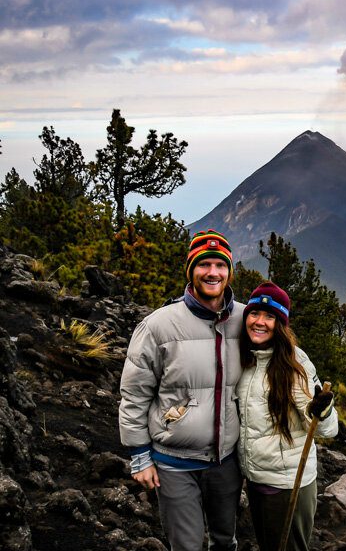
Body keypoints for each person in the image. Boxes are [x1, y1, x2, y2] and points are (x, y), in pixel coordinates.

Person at [119, 229, 244, 551]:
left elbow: (284, 356)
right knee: (187, 546)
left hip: (226, 461)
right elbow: (134, 394)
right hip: (175, 463)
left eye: (220, 265)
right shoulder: (159, 325)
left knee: (225, 542)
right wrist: (139, 457)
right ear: (191, 270)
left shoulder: (247, 319)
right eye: (204, 265)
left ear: (230, 271)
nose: (213, 273)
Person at [235, 281, 338, 551]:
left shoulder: (295, 365)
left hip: (288, 485)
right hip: (257, 480)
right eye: (254, 314)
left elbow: (327, 429)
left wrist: (322, 412)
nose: (260, 322)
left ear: (280, 324)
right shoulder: (247, 359)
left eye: (270, 316)